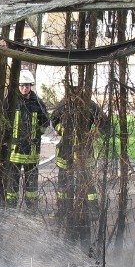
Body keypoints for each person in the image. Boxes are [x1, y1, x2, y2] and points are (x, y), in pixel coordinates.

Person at [49, 95, 109, 252]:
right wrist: (63, 131)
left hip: (85, 150)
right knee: (63, 182)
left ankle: (93, 208)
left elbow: (105, 122)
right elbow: (53, 119)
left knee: (88, 182)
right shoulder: (64, 104)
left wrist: (93, 134)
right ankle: (63, 207)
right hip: (66, 150)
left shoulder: (91, 105)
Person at [5, 69, 50, 209]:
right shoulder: (11, 101)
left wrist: (36, 135)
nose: (24, 88)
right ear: (18, 86)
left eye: (27, 85)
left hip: (31, 152)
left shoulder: (37, 103)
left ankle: (31, 207)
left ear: (31, 86)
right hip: (15, 151)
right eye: (22, 85)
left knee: (32, 184)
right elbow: (4, 121)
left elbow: (45, 122)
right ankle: (11, 206)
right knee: (12, 182)